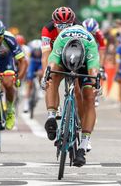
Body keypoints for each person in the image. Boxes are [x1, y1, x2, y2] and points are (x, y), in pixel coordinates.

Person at [43, 24, 100, 167]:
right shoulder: (61, 40)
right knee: (52, 78)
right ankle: (51, 116)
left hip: (84, 64)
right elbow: (51, 64)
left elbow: (93, 72)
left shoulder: (90, 44)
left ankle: (84, 145)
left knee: (89, 96)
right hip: (63, 58)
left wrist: (96, 85)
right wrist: (46, 77)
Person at [0, 19, 27, 130]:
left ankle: (10, 111)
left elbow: (23, 61)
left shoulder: (10, 39)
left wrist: (18, 79)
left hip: (5, 61)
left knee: (8, 83)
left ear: (3, 35)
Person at [22, 39, 43, 113]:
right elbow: (27, 61)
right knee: (29, 81)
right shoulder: (30, 52)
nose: (37, 52)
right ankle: (26, 104)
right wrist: (27, 71)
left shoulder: (42, 53)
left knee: (41, 73)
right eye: (35, 50)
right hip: (32, 63)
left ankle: (40, 89)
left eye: (38, 50)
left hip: (40, 62)